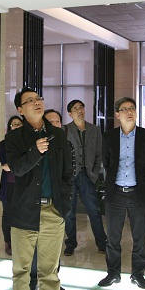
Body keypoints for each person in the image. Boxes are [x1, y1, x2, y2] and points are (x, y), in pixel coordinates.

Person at [5, 88, 73, 290]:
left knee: (50, 268)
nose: (37, 103)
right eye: (30, 101)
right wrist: (35, 150)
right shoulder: (14, 138)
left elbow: (67, 171)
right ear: (20, 109)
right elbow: (17, 169)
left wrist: (64, 202)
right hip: (24, 210)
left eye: (39, 99)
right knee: (21, 269)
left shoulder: (58, 134)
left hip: (53, 209)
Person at [99, 96, 145, 290]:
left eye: (132, 108)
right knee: (113, 237)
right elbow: (106, 162)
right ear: (117, 115)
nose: (129, 112)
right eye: (124, 109)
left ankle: (138, 274)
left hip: (137, 193)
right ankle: (113, 273)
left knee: (139, 236)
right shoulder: (109, 136)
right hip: (115, 192)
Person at [63, 99, 106, 256]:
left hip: (88, 176)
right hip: (70, 176)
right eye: (75, 108)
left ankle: (102, 243)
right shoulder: (65, 130)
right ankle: (70, 243)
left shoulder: (95, 130)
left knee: (94, 211)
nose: (79, 110)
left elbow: (99, 153)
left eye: (81, 107)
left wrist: (94, 173)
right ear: (70, 113)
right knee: (69, 213)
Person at [0, 116, 23, 255]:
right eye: (14, 124)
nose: (16, 126)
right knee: (7, 213)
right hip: (9, 184)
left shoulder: (27, 143)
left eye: (19, 124)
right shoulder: (4, 144)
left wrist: (15, 165)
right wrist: (21, 164)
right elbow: (5, 165)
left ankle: (20, 242)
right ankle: (8, 241)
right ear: (9, 127)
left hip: (24, 183)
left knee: (21, 213)